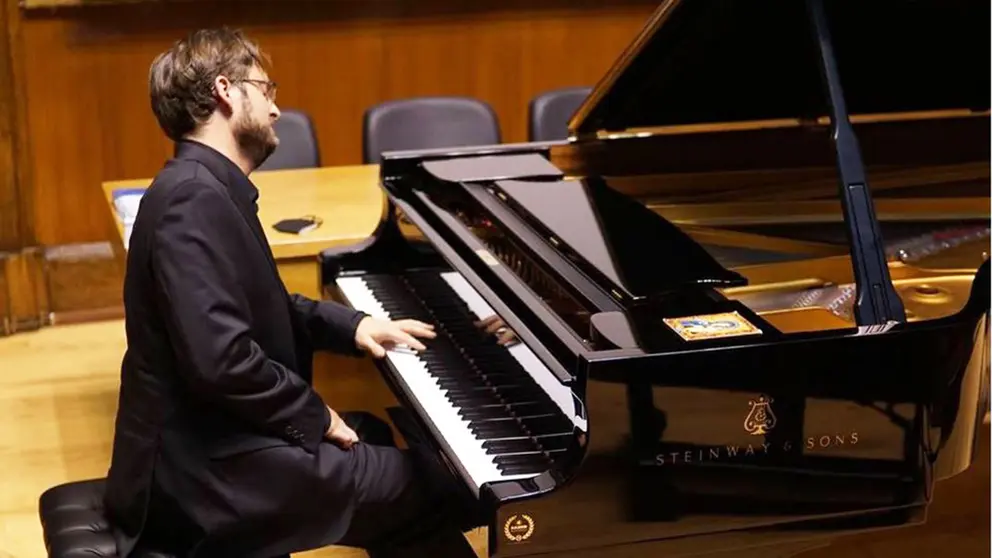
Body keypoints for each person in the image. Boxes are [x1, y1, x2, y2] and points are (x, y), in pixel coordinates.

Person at [104, 28, 477, 558]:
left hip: (215, 443)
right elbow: (222, 361)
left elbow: (266, 309)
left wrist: (355, 325)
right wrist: (317, 415)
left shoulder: (206, 186)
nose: (278, 109)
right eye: (268, 89)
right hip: (205, 474)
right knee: (444, 482)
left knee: (378, 442)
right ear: (227, 91)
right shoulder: (193, 200)